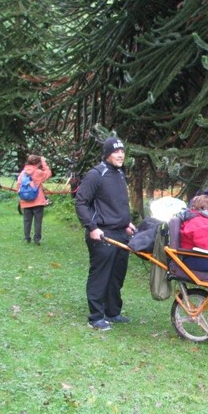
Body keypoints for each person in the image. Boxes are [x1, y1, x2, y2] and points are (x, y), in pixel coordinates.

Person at [75, 137, 136, 331]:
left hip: (121, 233)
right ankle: (95, 317)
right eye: (115, 151)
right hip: (102, 234)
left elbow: (114, 203)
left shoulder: (119, 174)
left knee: (116, 276)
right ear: (107, 153)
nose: (120, 155)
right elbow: (81, 202)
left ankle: (112, 312)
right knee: (101, 275)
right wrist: (92, 228)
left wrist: (127, 223)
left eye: (122, 151)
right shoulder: (96, 174)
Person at [17, 155, 52, 245]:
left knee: (27, 220)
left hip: (25, 200)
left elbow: (18, 185)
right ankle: (37, 239)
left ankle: (27, 238)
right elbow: (48, 173)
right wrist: (44, 162)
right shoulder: (38, 172)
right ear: (38, 163)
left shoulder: (23, 173)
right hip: (38, 201)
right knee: (38, 221)